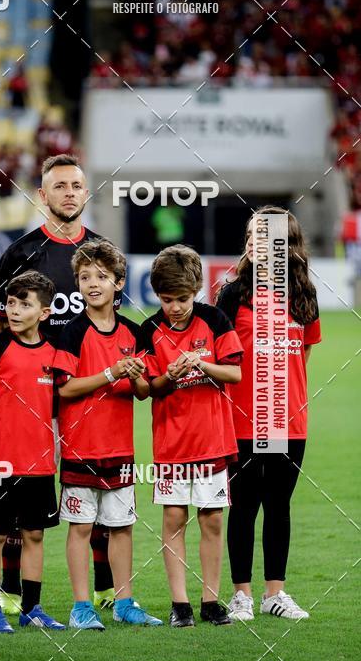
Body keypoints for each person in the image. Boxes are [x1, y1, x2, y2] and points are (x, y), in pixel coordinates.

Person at [0, 154, 117, 615]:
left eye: (76, 185)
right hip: (33, 401)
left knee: (98, 495)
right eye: (59, 186)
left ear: (86, 193)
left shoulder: (102, 253)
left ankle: (104, 588)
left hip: (89, 396)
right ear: (42, 196)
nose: (69, 192)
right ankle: (8, 591)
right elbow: (2, 330)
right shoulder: (20, 253)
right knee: (21, 502)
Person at [216, 206, 321, 621]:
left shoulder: (303, 294)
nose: (254, 240)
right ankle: (241, 595)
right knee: (243, 505)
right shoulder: (232, 292)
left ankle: (274, 594)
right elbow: (223, 355)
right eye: (252, 233)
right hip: (241, 418)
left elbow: (304, 350)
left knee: (280, 505)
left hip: (288, 418)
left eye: (265, 234)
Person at [55, 239, 163, 630]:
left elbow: (145, 391)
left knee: (121, 527)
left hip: (119, 447)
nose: (92, 284)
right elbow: (64, 389)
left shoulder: (135, 333)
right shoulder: (71, 332)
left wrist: (135, 379)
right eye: (85, 277)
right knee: (81, 528)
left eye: (101, 276)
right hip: (80, 446)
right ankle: (81, 606)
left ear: (119, 283)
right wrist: (109, 374)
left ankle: (125, 602)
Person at [139, 245, 243, 627]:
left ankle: (211, 601)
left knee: (212, 520)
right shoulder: (150, 329)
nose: (176, 307)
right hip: (171, 444)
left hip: (212, 440)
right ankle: (179, 604)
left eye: (182, 299)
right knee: (174, 519)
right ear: (157, 295)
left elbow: (235, 374)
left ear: (197, 290)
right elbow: (150, 387)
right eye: (167, 300)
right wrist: (172, 375)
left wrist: (202, 362)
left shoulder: (214, 320)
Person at [0, 271, 65, 633]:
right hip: (0, 461)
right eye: (10, 303)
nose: (14, 310)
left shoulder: (54, 350)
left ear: (43, 312)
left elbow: (58, 405)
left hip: (40, 461)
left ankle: (32, 608)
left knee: (34, 535)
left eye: (24, 304)